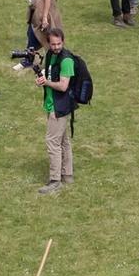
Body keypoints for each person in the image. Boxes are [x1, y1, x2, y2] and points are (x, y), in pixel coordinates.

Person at [37, 26, 81, 193]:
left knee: (52, 141)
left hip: (60, 106)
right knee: (63, 141)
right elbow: (48, 73)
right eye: (53, 44)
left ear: (63, 42)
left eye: (59, 44)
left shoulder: (66, 60)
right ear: (48, 43)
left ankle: (55, 180)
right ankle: (67, 175)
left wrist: (46, 83)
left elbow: (63, 86)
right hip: (51, 103)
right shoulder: (50, 55)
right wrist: (42, 79)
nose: (56, 47)